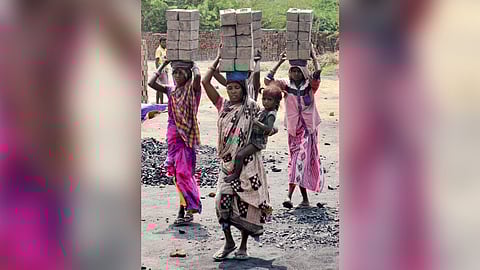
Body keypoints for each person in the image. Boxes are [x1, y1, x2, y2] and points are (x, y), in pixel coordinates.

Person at [202, 45, 276, 261]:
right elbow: (205, 82)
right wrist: (217, 59)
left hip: (248, 164)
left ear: (243, 89)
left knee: (245, 206)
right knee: (221, 203)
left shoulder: (251, 107)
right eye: (230, 87)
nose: (233, 91)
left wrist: (256, 64)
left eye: (237, 88)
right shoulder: (223, 106)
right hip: (227, 164)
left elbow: (268, 122)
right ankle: (228, 242)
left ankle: (243, 245)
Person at [264, 43, 325, 209]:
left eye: (298, 71)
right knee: (297, 161)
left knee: (300, 160)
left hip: (308, 129)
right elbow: (268, 81)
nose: (295, 74)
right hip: (293, 129)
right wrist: (280, 62)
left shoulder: (310, 86)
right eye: (293, 70)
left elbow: (318, 73)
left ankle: (288, 195)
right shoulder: (286, 85)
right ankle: (304, 199)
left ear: (303, 72)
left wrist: (312, 54)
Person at [148, 59, 202, 225]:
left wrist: (194, 66)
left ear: (187, 75)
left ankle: (188, 210)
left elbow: (198, 78)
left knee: (184, 174)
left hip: (187, 137)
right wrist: (164, 65)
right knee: (177, 176)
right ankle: (182, 208)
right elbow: (151, 83)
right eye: (175, 72)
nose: (177, 76)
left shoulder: (192, 91)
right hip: (172, 137)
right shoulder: (171, 90)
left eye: (181, 73)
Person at [223, 85, 283, 183]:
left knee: (240, 155)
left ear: (276, 102)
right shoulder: (264, 110)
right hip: (253, 137)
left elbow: (268, 129)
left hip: (257, 142)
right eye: (264, 99)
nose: (266, 102)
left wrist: (257, 122)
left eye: (269, 100)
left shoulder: (271, 114)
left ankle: (235, 175)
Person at [154, 37, 169, 104]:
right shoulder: (159, 50)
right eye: (163, 42)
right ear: (160, 43)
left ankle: (158, 103)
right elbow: (156, 61)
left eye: (165, 42)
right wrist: (158, 71)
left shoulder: (165, 50)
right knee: (162, 88)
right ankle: (161, 103)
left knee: (159, 88)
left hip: (165, 70)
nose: (164, 43)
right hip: (161, 71)